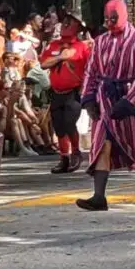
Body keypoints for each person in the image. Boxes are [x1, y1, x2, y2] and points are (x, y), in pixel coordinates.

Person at [76, 0, 135, 211]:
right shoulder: (100, 41)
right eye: (107, 18)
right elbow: (91, 72)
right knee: (102, 143)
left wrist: (130, 101)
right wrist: (88, 98)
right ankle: (99, 196)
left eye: (114, 18)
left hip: (130, 97)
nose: (110, 22)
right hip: (105, 98)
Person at [40, 10, 91, 173]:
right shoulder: (53, 45)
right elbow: (44, 64)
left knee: (69, 122)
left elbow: (91, 68)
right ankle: (64, 158)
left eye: (71, 22)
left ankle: (76, 152)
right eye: (65, 21)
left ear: (78, 28)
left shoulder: (82, 47)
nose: (66, 25)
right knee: (59, 126)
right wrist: (61, 57)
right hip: (56, 92)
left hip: (73, 92)